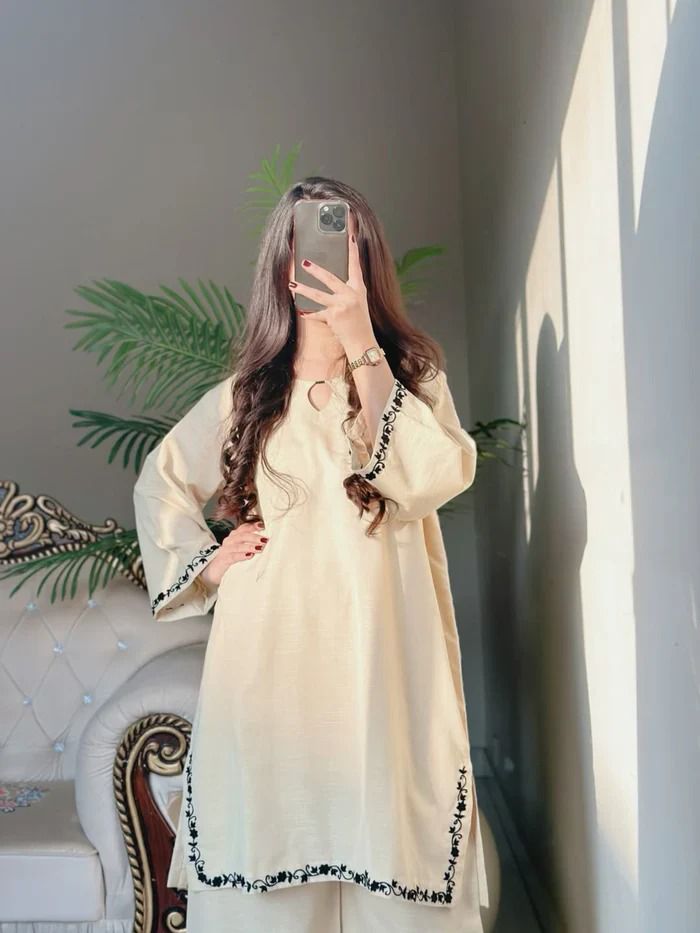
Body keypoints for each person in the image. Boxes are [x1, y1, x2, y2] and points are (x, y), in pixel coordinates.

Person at [133, 177, 489, 932]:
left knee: (390, 845)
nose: (325, 264)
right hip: (271, 662)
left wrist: (362, 343)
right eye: (310, 245)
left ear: (368, 260)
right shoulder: (247, 396)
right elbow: (161, 481)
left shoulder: (411, 379)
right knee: (272, 854)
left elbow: (432, 476)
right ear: (283, 262)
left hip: (382, 660)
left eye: (343, 245)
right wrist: (209, 562)